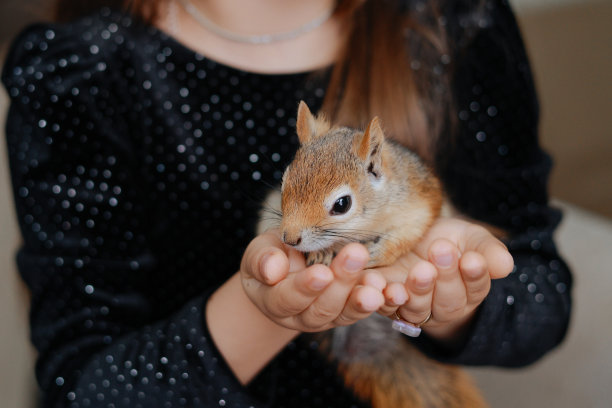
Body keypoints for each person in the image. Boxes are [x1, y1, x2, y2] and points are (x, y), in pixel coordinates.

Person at [2, 0, 572, 406]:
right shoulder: (80, 69)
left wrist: (453, 295)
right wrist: (263, 310)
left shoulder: (456, 21)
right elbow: (82, 387)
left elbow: (542, 297)